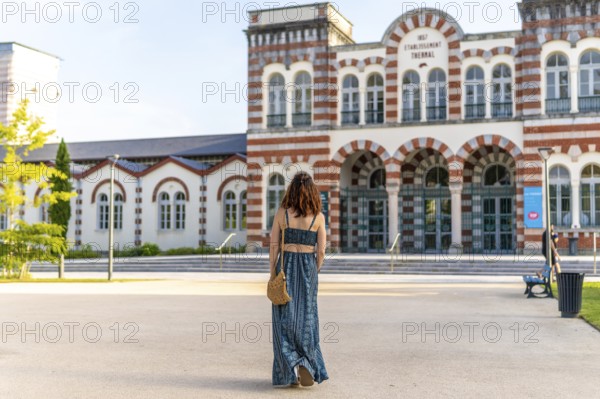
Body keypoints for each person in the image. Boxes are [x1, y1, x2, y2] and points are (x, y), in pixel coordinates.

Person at [269, 172, 328, 388]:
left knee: (283, 319)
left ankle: (291, 364)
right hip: (308, 267)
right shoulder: (318, 217)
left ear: (291, 190)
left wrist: (272, 273)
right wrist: (314, 270)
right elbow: (321, 251)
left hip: (285, 267)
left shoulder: (282, 214)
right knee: (307, 318)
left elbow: (274, 246)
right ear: (313, 191)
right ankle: (307, 362)